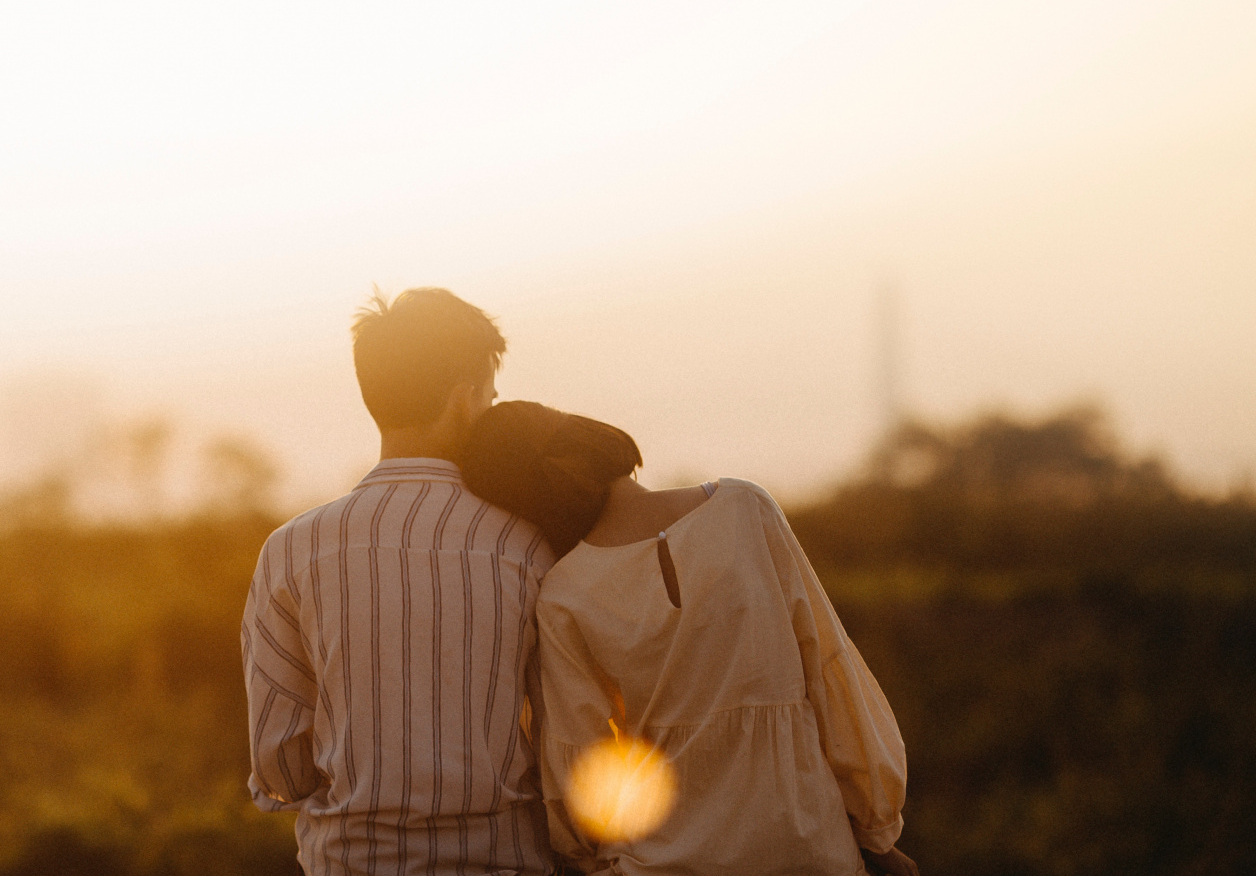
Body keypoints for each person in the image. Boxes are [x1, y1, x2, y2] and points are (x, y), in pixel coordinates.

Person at [458, 401, 918, 876]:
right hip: (809, 849)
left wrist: (585, 857)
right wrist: (878, 833)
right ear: (588, 434)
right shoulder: (746, 508)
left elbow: (580, 763)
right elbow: (829, 672)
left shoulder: (563, 594)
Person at [242, 289, 556, 876]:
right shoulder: (528, 545)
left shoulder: (292, 549)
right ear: (464, 399)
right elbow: (564, 737)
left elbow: (279, 762)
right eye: (489, 397)